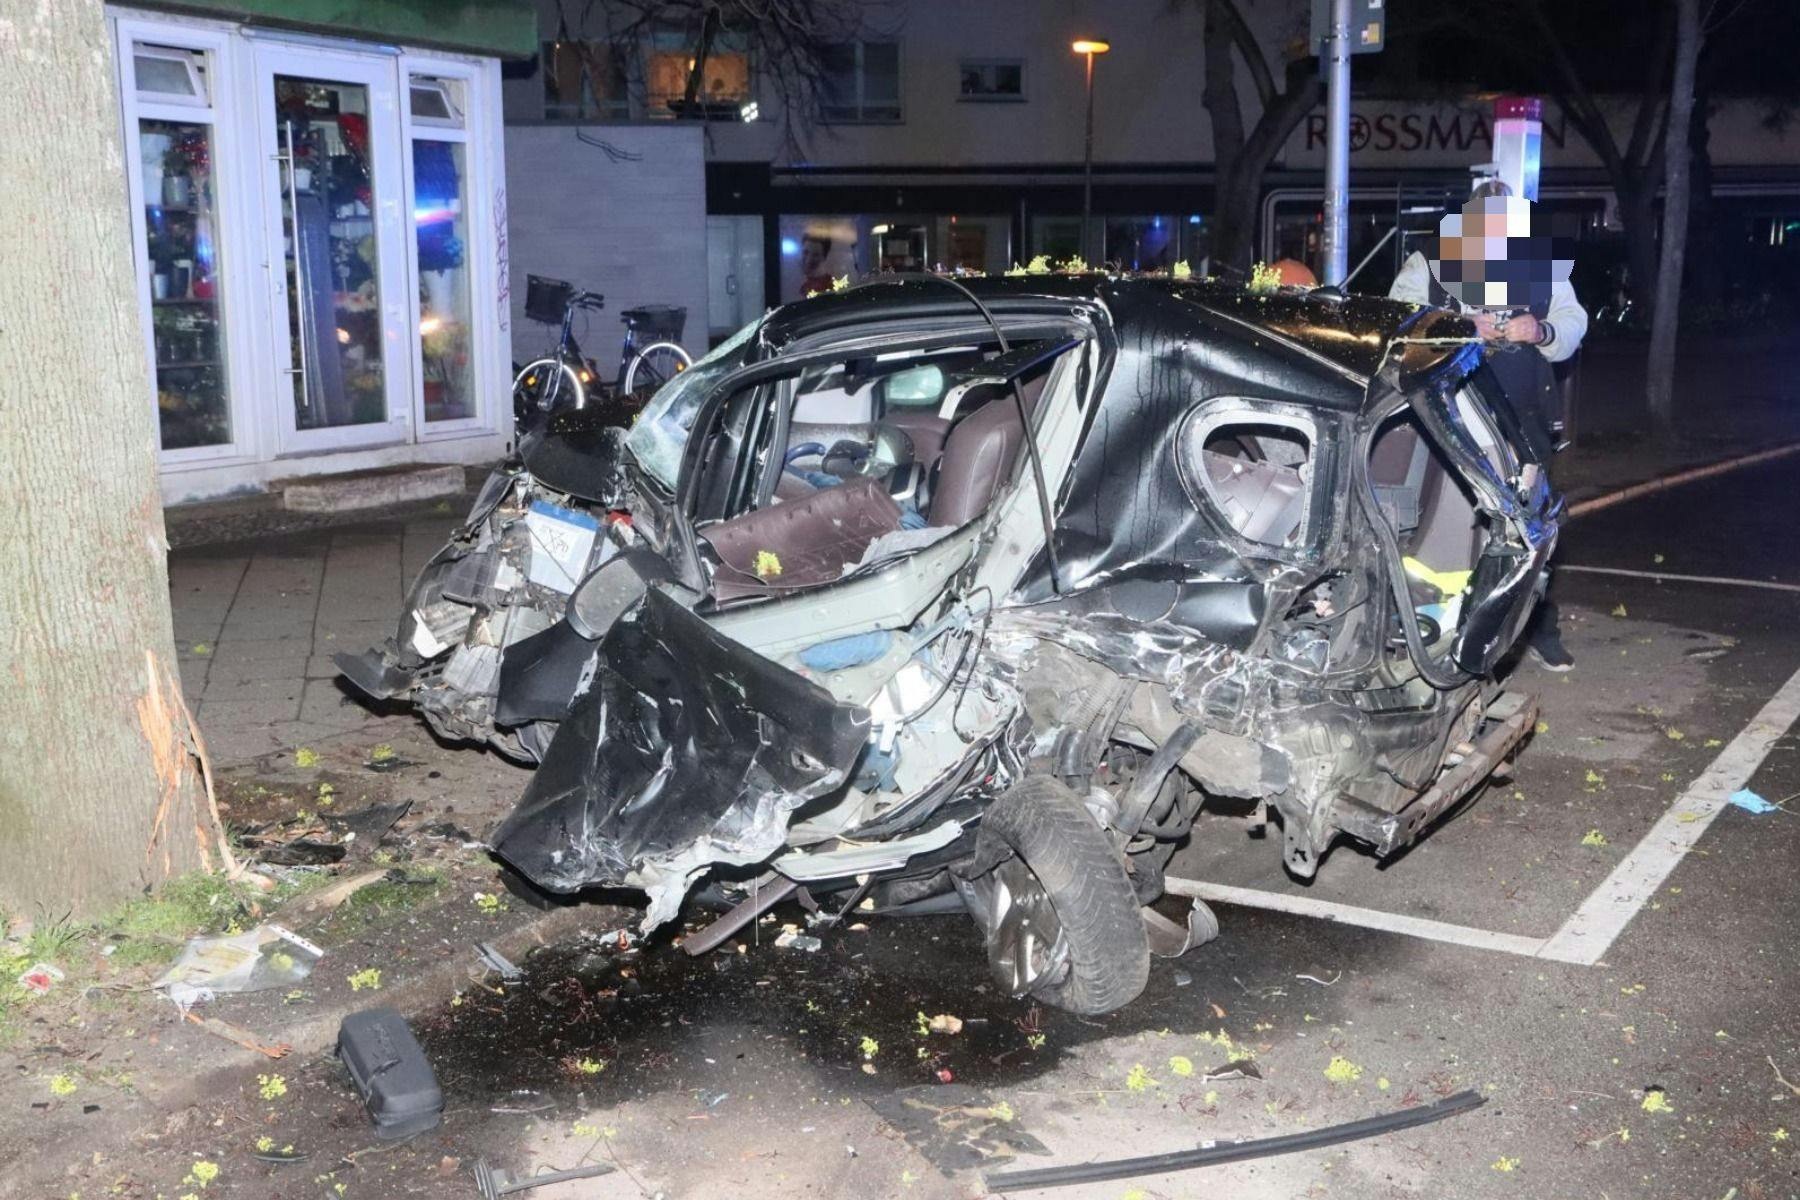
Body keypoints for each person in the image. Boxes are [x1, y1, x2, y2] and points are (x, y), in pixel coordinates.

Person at [1390, 179, 1588, 672]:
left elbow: (1573, 323)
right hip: (1452, 410)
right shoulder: (1431, 263)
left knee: (1532, 523)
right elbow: (1398, 318)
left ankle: (1538, 628)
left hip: (1523, 412)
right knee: (1451, 517)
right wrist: (1457, 325)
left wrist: (1538, 330)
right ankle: (1447, 622)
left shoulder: (1540, 266)